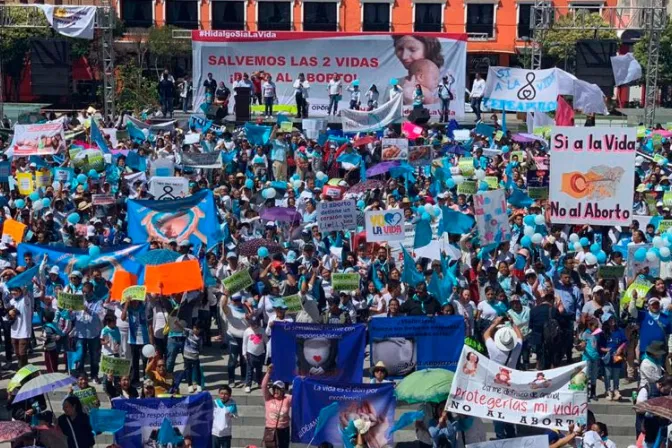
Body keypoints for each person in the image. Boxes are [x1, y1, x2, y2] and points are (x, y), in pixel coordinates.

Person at [261, 365, 292, 448]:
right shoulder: (268, 398)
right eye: (274, 389)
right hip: (270, 429)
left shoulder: (287, 398)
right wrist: (268, 373)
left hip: (284, 430)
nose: (276, 391)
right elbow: (263, 386)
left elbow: (299, 396)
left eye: (278, 389)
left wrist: (300, 379)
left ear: (283, 391)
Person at [242, 316, 267, 393]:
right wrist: (244, 353)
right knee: (249, 369)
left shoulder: (262, 330)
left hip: (260, 353)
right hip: (250, 353)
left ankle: (259, 382)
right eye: (252, 324)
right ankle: (248, 385)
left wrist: (268, 351)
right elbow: (244, 343)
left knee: (259, 369)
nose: (254, 326)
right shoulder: (247, 331)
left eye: (255, 324)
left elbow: (266, 341)